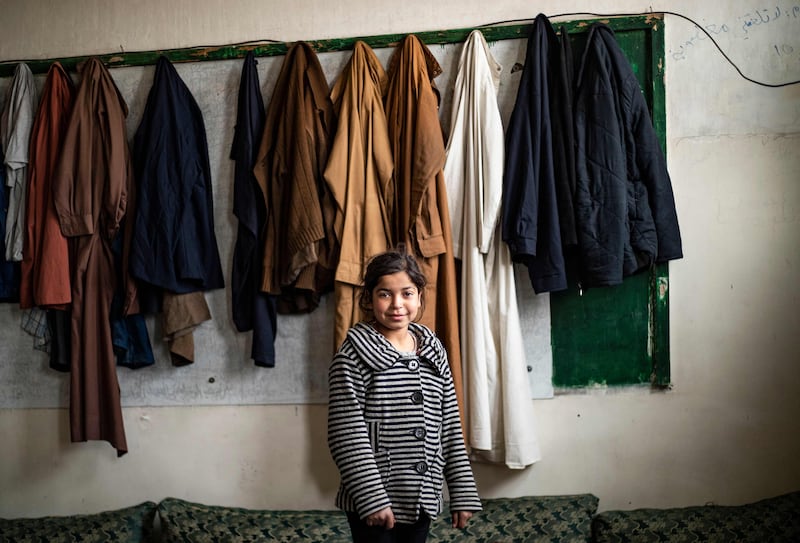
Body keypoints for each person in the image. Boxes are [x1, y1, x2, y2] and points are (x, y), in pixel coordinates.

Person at [327, 247, 482, 543]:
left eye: (407, 293)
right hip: (373, 500)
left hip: (422, 497)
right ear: (369, 299)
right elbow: (345, 434)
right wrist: (372, 498)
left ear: (420, 296)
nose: (397, 304)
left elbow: (449, 425)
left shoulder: (434, 350)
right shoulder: (353, 356)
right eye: (385, 294)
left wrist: (461, 490)